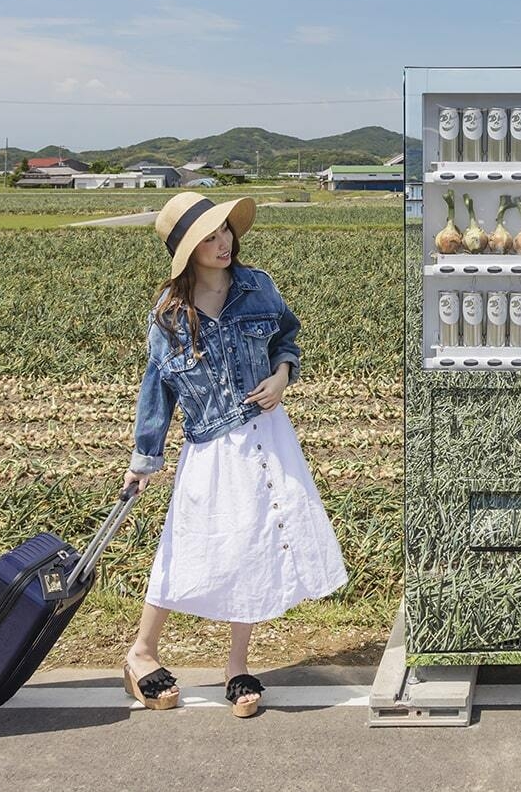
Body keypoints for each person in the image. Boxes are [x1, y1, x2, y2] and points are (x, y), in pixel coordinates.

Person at [121, 191, 350, 718]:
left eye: (224, 230)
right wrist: (144, 459)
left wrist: (282, 377)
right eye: (208, 236)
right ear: (186, 250)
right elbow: (157, 389)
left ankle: (237, 665)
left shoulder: (258, 287)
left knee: (256, 544)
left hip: (268, 433)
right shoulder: (169, 315)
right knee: (185, 545)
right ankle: (141, 652)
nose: (222, 242)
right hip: (211, 447)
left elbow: (287, 337)